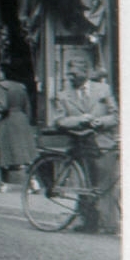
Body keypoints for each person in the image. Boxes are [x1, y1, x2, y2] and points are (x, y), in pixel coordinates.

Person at [53, 58, 119, 234]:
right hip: (79, 144)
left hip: (102, 143)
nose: (70, 77)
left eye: (74, 73)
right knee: (83, 187)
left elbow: (115, 116)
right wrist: (79, 120)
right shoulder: (63, 95)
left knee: (105, 185)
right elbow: (59, 121)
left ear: (86, 73)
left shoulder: (103, 89)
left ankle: (109, 225)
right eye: (69, 73)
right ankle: (88, 223)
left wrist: (100, 121)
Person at [0, 62, 37, 193]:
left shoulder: (1, 86)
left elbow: (2, 107)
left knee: (4, 153)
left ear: (3, 72)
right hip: (22, 120)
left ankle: (2, 183)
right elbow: (28, 107)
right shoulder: (21, 87)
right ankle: (33, 182)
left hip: (8, 122)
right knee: (26, 154)